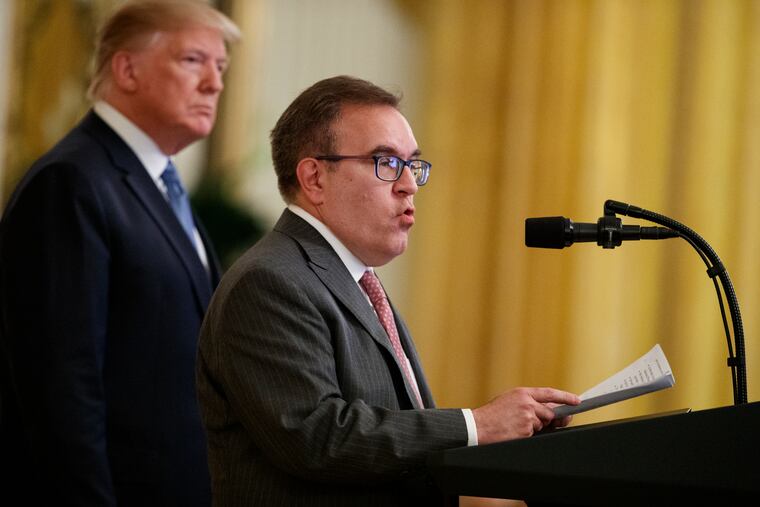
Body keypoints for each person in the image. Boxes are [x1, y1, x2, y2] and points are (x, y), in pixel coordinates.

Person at [195, 75, 580, 506]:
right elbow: (317, 437)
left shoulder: (357, 280)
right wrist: (476, 425)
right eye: (386, 162)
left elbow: (390, 435)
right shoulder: (271, 281)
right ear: (315, 178)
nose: (409, 185)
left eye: (412, 165)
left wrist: (509, 435)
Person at [0, 1, 240, 505]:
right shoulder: (73, 182)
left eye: (220, 67)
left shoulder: (161, 188)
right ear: (127, 69)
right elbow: (61, 385)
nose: (215, 83)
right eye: (194, 60)